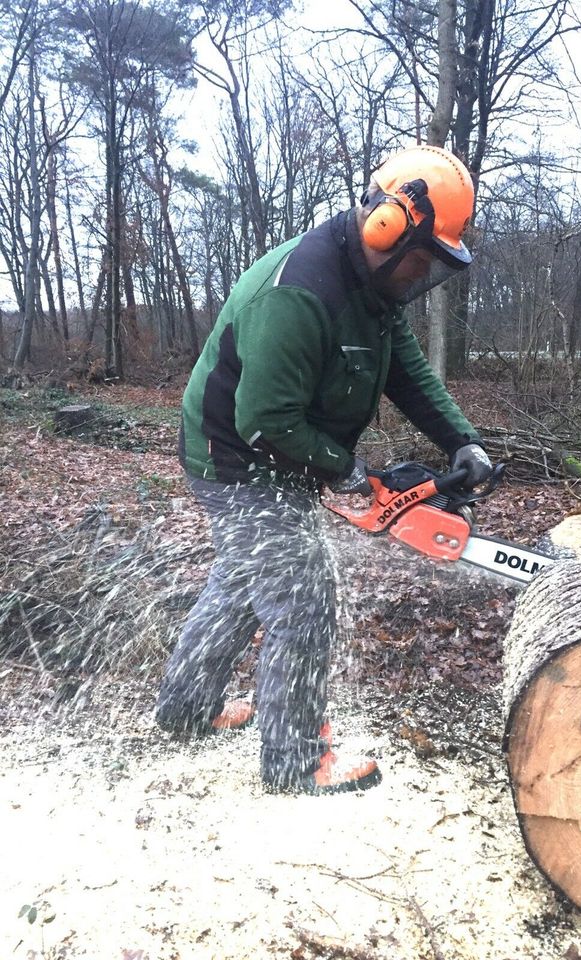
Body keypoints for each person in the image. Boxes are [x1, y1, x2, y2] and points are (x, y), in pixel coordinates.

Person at [156, 144, 493, 795]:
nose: (419, 274)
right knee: (303, 597)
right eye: (420, 258)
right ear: (386, 228)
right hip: (237, 458)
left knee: (243, 582)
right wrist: (344, 470)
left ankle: (185, 707)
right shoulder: (299, 294)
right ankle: (292, 759)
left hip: (276, 449)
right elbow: (266, 419)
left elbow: (406, 369)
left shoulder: (372, 287)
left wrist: (461, 440)